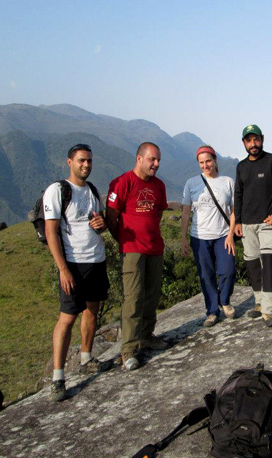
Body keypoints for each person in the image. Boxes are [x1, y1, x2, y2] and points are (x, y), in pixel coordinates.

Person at [44, 144, 110, 402]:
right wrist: (63, 269)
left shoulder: (93, 190)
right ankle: (58, 378)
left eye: (89, 161)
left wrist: (102, 224)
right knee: (67, 318)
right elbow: (51, 232)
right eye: (81, 160)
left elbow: (99, 223)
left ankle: (86, 358)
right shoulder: (58, 191)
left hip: (96, 259)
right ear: (69, 162)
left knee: (92, 310)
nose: (86, 165)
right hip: (73, 263)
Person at [106, 142, 168, 371]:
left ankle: (147, 335)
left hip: (155, 248)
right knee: (133, 298)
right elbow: (111, 217)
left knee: (152, 295)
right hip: (132, 249)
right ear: (139, 158)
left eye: (158, 160)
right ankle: (129, 350)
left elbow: (158, 212)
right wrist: (123, 241)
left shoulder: (159, 186)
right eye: (153, 159)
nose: (156, 164)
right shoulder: (122, 183)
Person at [181, 146, 237, 327]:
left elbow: (234, 210)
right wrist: (183, 238)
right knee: (206, 275)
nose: (206, 165)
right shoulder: (191, 183)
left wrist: (230, 235)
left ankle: (225, 300)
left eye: (208, 161)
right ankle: (212, 311)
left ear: (215, 160)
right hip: (199, 237)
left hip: (222, 235)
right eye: (202, 162)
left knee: (228, 270)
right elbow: (186, 212)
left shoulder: (227, 181)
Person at [234, 125, 272, 327]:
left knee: (269, 263)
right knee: (252, 263)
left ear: (262, 139)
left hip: (268, 222)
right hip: (247, 223)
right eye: (249, 140)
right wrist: (238, 222)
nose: (253, 144)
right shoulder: (242, 166)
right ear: (244, 143)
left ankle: (270, 310)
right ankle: (260, 303)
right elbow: (238, 194)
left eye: (256, 139)